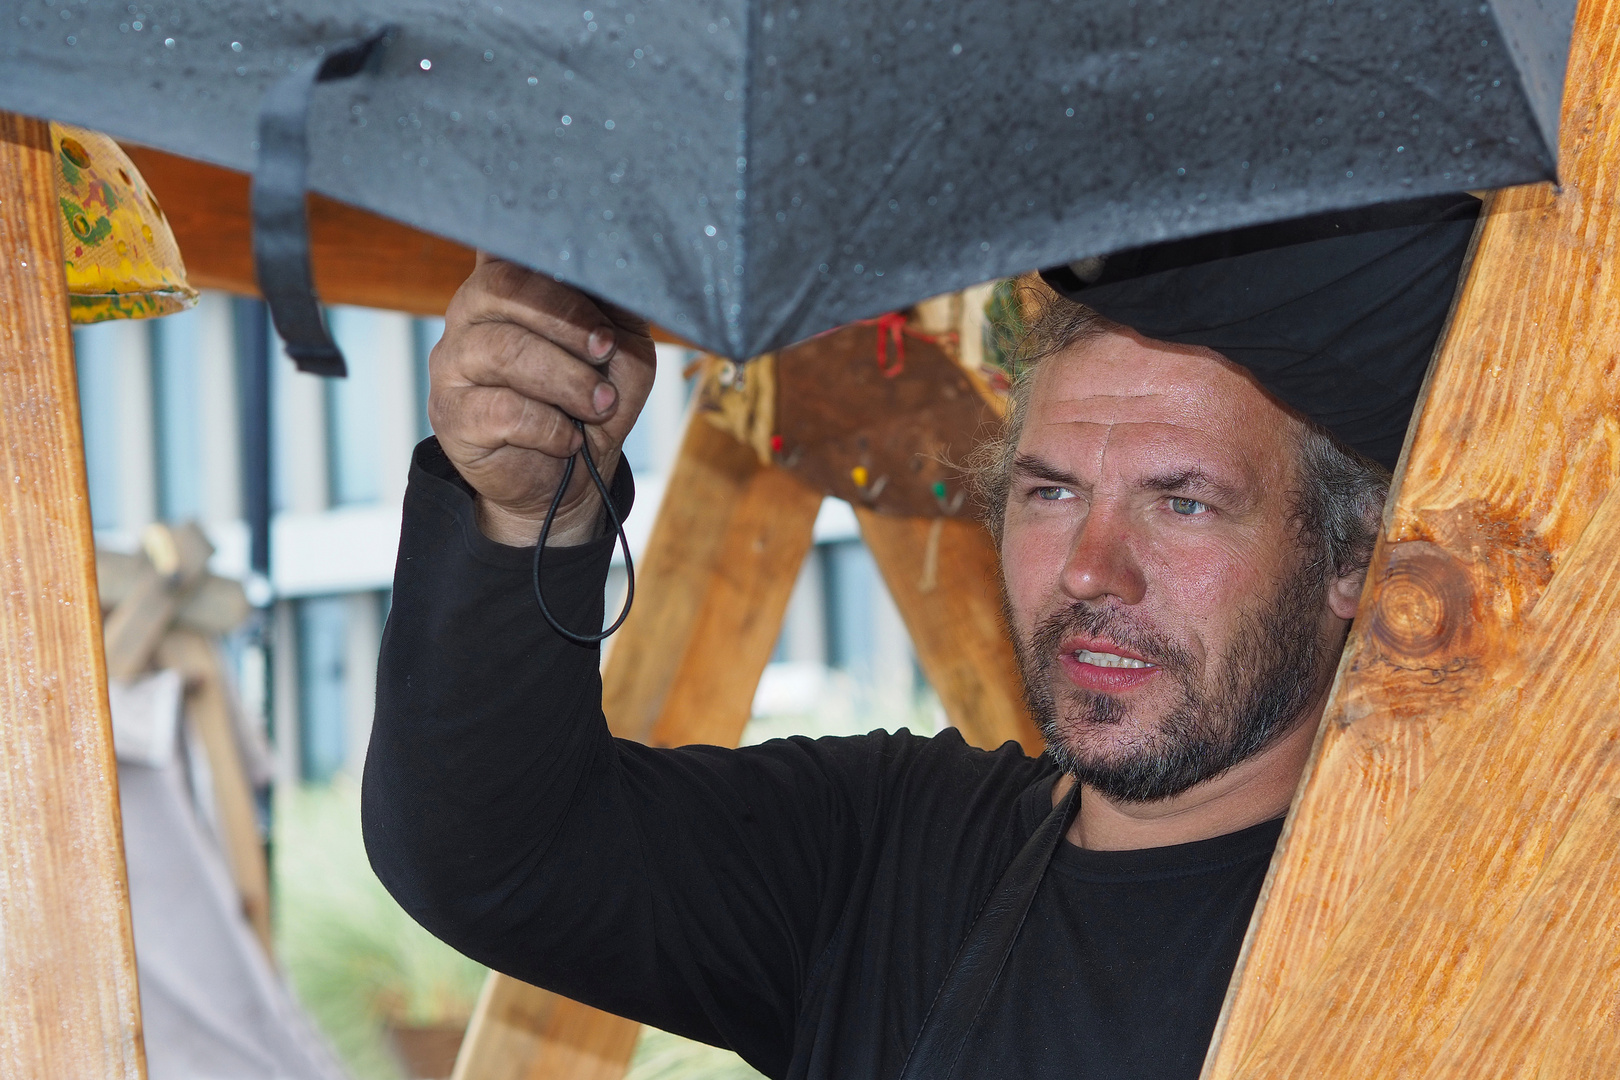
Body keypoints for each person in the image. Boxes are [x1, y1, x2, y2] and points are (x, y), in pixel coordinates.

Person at [362, 195, 1480, 1079]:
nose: (1091, 569)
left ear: (1350, 559)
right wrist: (525, 513)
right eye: (1049, 494)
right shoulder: (886, 855)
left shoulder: (1479, 937)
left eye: (1181, 501)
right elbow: (495, 859)